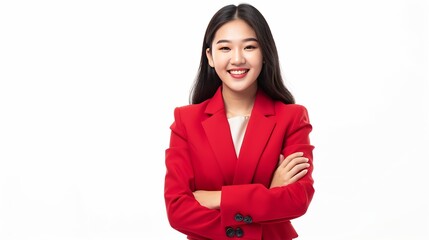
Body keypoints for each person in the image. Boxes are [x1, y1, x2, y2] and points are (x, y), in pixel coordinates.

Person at [164, 3, 314, 240]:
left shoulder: (292, 118)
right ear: (210, 57)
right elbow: (177, 211)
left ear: (264, 53)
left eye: (249, 46)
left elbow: (298, 199)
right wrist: (269, 193)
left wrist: (216, 198)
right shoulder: (186, 121)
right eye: (225, 48)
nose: (237, 58)